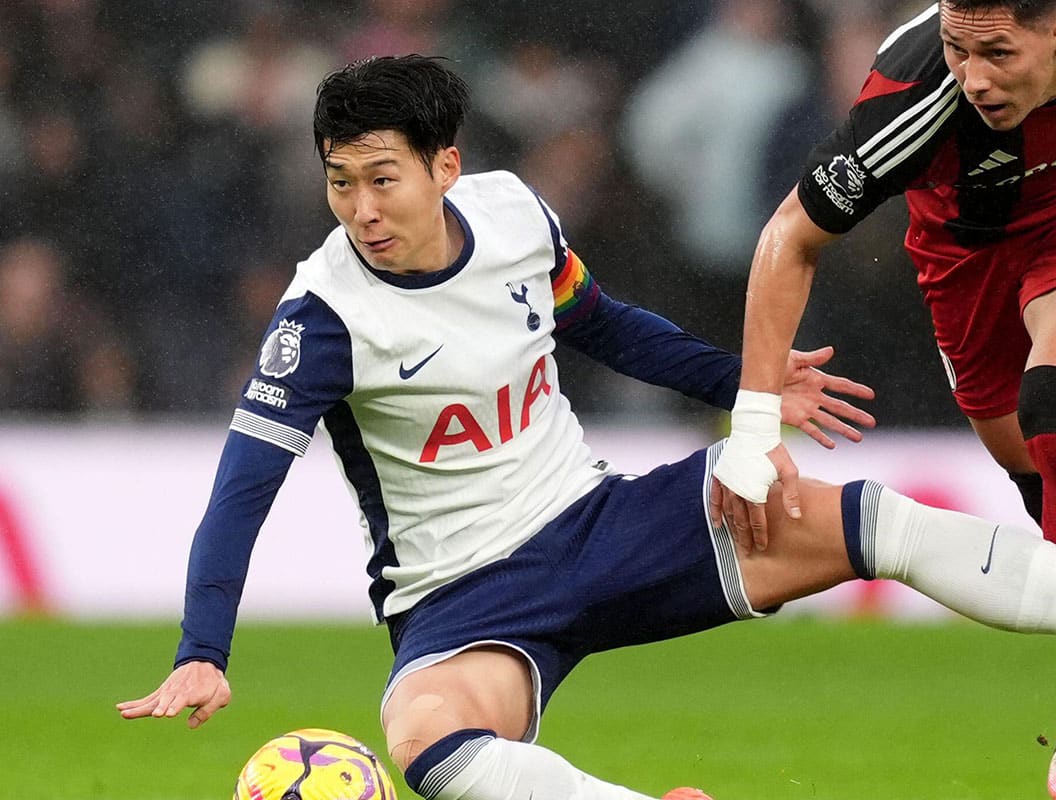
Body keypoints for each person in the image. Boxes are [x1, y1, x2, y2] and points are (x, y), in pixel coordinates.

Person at [118, 56, 1056, 800]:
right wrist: (203, 650)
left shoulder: (516, 215)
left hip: (600, 522)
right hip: (461, 599)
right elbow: (245, 483)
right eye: (339, 183)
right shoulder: (321, 315)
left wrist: (748, 382)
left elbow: (602, 324)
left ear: (446, 165)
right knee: (427, 745)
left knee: (867, 521)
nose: (362, 209)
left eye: (382, 178)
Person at [712, 1, 1056, 548]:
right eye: (958, 51)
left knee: (1050, 395)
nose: (975, 80)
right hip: (968, 248)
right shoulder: (911, 97)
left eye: (998, 54)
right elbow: (792, 234)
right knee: (1028, 456)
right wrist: (754, 427)